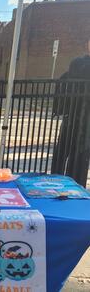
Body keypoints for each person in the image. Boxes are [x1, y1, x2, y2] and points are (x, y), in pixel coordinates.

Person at [51, 40, 90, 186]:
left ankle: (73, 187)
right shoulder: (79, 63)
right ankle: (56, 183)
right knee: (63, 152)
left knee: (79, 157)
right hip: (74, 115)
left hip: (81, 119)